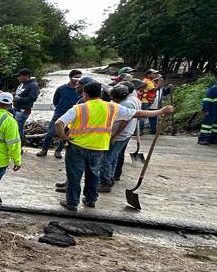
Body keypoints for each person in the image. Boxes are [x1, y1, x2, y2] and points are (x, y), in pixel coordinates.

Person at [55, 80, 174, 212]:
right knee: (93, 174)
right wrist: (161, 111)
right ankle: (90, 200)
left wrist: (64, 138)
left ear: (85, 94)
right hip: (98, 147)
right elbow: (137, 113)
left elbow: (58, 123)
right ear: (100, 94)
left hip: (77, 146)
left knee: (74, 176)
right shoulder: (112, 107)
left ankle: (72, 203)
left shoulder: (79, 108)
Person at [97, 85, 135, 191]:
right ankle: (111, 176)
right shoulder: (132, 98)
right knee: (113, 157)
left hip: (120, 135)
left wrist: (115, 136)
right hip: (124, 134)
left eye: (112, 97)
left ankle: (105, 182)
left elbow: (125, 121)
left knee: (105, 159)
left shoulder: (126, 105)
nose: (111, 99)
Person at [37, 70, 82, 158]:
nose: (78, 79)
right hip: (59, 114)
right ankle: (44, 150)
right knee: (50, 132)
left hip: (72, 117)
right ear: (70, 77)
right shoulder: (61, 89)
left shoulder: (80, 90)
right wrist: (59, 109)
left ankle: (58, 151)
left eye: (80, 77)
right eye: (76, 77)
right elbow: (55, 101)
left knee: (65, 134)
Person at [12, 68, 40, 143]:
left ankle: (19, 147)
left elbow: (32, 98)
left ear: (26, 76)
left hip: (23, 111)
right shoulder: (22, 83)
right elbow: (19, 94)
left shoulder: (33, 85)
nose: (18, 78)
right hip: (16, 109)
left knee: (18, 129)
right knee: (14, 128)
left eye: (20, 76)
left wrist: (18, 99)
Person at [198, 73, 217, 146]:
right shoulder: (214, 89)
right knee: (207, 126)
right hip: (212, 111)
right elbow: (207, 100)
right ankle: (202, 139)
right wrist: (206, 109)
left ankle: (213, 139)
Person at [139, 69, 159, 134]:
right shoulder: (147, 81)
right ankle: (140, 131)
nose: (155, 75)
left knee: (145, 115)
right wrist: (160, 83)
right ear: (148, 74)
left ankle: (141, 131)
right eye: (153, 73)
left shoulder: (150, 81)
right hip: (145, 101)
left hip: (147, 101)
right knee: (143, 116)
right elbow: (153, 89)